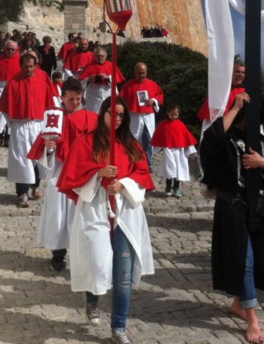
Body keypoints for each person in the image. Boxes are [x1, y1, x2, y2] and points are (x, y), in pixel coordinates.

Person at [57, 97, 155, 344]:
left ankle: (118, 327)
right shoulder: (87, 142)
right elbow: (73, 176)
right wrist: (97, 173)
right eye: (114, 113)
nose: (118, 118)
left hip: (125, 211)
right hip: (96, 207)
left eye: (122, 115)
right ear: (103, 113)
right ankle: (92, 298)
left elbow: (143, 175)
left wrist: (123, 183)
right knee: (98, 262)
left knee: (122, 275)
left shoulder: (132, 145)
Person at [199, 92, 264, 344]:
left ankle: (238, 303)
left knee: (253, 259)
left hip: (258, 208)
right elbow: (210, 140)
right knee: (244, 260)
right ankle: (252, 319)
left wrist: (263, 163)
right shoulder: (226, 138)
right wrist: (235, 107)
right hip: (232, 207)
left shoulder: (261, 143)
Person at [35, 78, 98, 271]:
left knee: (81, 215)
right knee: (59, 214)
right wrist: (49, 148)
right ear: (62, 98)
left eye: (79, 99)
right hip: (60, 171)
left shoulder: (90, 118)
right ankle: (58, 254)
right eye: (72, 99)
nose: (76, 103)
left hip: (82, 172)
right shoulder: (55, 118)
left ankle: (82, 255)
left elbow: (98, 146)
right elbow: (42, 151)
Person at [0, 53, 57, 208]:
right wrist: (11, 123)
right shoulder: (13, 82)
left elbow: (51, 104)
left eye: (31, 66)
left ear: (36, 65)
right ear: (21, 65)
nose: (29, 69)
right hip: (20, 125)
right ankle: (22, 193)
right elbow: (4, 107)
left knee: (38, 159)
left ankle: (35, 186)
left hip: (38, 125)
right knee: (22, 160)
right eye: (26, 66)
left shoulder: (42, 80)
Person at [119, 62, 164, 169]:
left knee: (148, 139)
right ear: (135, 73)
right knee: (133, 139)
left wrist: (153, 100)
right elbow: (121, 99)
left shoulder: (152, 84)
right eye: (139, 73)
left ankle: (148, 164)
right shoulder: (128, 86)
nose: (142, 75)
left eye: (144, 73)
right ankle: (133, 162)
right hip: (134, 117)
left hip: (147, 117)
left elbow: (160, 95)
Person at [150, 103, 197, 197]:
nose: (174, 116)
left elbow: (187, 137)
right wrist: (154, 149)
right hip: (168, 151)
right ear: (167, 113)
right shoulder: (163, 125)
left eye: (176, 114)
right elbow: (158, 137)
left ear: (178, 114)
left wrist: (191, 151)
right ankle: (168, 186)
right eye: (172, 114)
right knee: (169, 170)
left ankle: (176, 188)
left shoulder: (181, 125)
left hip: (179, 152)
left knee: (178, 170)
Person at [197, 58, 246, 132]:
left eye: (243, 72)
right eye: (238, 72)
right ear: (231, 72)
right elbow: (209, 120)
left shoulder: (246, 92)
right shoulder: (220, 91)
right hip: (222, 131)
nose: (241, 75)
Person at [80, 47, 124, 113]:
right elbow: (81, 81)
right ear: (94, 56)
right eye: (98, 56)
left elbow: (117, 79)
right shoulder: (89, 66)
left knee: (108, 113)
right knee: (94, 114)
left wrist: (108, 78)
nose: (100, 58)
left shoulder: (111, 65)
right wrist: (89, 79)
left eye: (102, 56)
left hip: (108, 93)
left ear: (105, 56)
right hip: (93, 95)